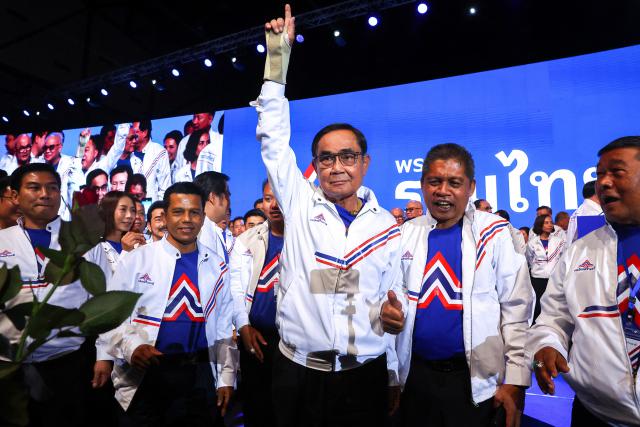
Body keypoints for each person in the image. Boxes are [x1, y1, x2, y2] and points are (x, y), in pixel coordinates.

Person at [256, 7, 403, 426]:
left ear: (365, 163)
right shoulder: (300, 202)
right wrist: (277, 61)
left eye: (347, 157)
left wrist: (393, 362)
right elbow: (273, 138)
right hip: (297, 375)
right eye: (326, 158)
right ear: (315, 166)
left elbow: (391, 297)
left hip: (364, 377)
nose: (337, 167)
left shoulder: (386, 227)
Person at [382, 143, 534, 427]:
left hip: (476, 383)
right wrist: (392, 372)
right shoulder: (405, 233)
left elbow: (517, 310)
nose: (443, 191)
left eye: (454, 183)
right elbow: (393, 299)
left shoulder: (495, 233)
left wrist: (516, 379)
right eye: (434, 182)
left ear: (471, 187)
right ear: (422, 185)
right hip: (416, 379)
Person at [527, 136, 640, 425]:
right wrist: (547, 345)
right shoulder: (579, 251)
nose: (604, 183)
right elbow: (553, 318)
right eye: (600, 174)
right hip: (595, 415)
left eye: (616, 172)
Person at [105, 182, 237, 425]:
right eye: (178, 212)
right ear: (165, 217)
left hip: (199, 376)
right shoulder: (137, 260)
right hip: (147, 374)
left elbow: (223, 326)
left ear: (203, 217)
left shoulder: (217, 265)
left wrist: (226, 378)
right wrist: (133, 347)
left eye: (194, 212)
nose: (187, 219)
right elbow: (112, 317)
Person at [0, 163, 91, 426]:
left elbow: (101, 296)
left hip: (67, 363)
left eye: (52, 188)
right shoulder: (3, 240)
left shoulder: (82, 241)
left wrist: (104, 357)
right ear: (15, 196)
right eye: (34, 187)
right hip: (8, 366)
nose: (44, 194)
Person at [230, 179, 284, 427]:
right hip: (255, 339)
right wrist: (243, 326)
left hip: (295, 342)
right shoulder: (246, 239)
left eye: (279, 197)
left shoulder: (308, 237)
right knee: (256, 410)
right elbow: (235, 288)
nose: (273, 205)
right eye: (268, 198)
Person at [84, 191, 137, 391]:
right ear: (107, 211)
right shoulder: (94, 248)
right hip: (102, 335)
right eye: (122, 209)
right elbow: (100, 298)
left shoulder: (136, 246)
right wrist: (103, 355)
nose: (129, 216)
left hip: (131, 335)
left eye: (132, 210)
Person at [526, 214, 566, 321]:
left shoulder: (559, 241)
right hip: (537, 279)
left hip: (554, 279)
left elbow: (563, 259)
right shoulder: (532, 243)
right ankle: (537, 326)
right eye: (546, 223)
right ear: (540, 225)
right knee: (538, 306)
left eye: (551, 222)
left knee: (554, 305)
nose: (550, 225)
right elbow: (529, 259)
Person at [193, 171, 231, 263]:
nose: (229, 200)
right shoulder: (202, 229)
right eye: (227, 195)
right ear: (212, 197)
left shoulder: (210, 227)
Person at [127, 121, 171, 202]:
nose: (132, 134)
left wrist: (159, 207)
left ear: (145, 132)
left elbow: (164, 187)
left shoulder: (159, 152)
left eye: (136, 132)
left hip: (153, 206)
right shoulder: (129, 152)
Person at [42, 132, 83, 220]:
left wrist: (82, 142)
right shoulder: (39, 165)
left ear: (60, 147)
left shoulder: (70, 164)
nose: (47, 151)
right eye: (45, 148)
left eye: (51, 147)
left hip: (65, 218)